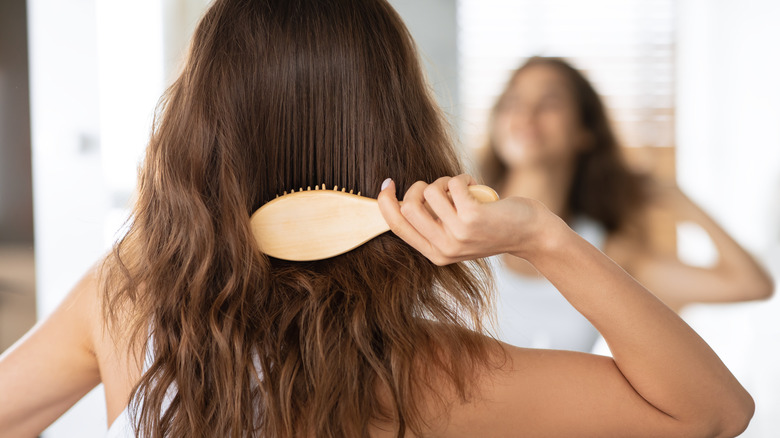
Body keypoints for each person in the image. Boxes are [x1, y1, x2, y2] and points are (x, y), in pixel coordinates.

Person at [0, 1, 755, 437]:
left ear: (198, 127)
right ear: (394, 137)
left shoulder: (123, 296)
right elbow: (715, 414)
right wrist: (542, 236)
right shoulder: (410, 371)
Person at [480, 56, 774, 352]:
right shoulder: (463, 217)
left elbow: (750, 284)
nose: (527, 113)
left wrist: (678, 200)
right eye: (513, 101)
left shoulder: (607, 253)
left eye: (550, 102)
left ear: (585, 131)